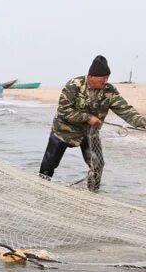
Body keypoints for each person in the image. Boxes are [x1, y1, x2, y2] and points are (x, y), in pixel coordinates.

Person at [38, 55, 146, 192]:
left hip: (90, 134)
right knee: (49, 164)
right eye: (102, 79)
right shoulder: (73, 85)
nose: (105, 82)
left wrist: (143, 123)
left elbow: (125, 110)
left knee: (97, 164)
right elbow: (63, 111)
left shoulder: (109, 91)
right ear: (91, 76)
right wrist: (88, 117)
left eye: (107, 78)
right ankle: (41, 190)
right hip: (63, 132)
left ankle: (93, 194)